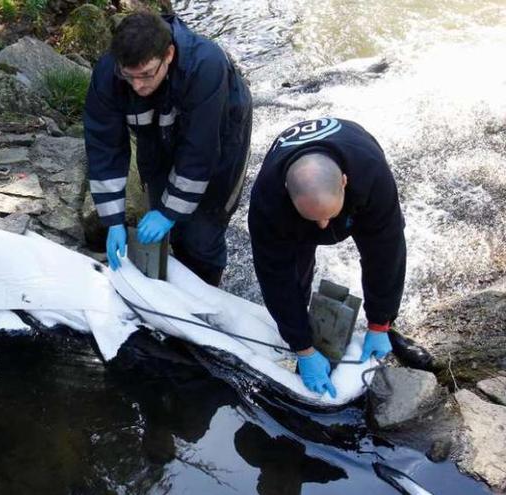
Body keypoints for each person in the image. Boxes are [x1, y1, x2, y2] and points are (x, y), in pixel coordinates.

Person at [84, 11, 252, 286]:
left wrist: (168, 213)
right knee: (163, 197)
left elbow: (200, 150)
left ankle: (207, 286)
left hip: (221, 128)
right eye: (130, 77)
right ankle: (177, 272)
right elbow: (105, 146)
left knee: (204, 227)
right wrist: (113, 220)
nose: (138, 86)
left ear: (169, 54)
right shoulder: (109, 74)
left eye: (147, 75)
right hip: (156, 125)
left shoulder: (205, 65)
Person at [248, 118, 406, 397]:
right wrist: (302, 348)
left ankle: (383, 328)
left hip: (355, 161)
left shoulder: (371, 175)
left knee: (379, 251)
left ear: (344, 182)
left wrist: (380, 322)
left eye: (329, 217)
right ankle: (305, 338)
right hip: (293, 211)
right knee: (296, 272)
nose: (324, 227)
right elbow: (275, 276)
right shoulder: (268, 201)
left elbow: (385, 252)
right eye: (315, 219)